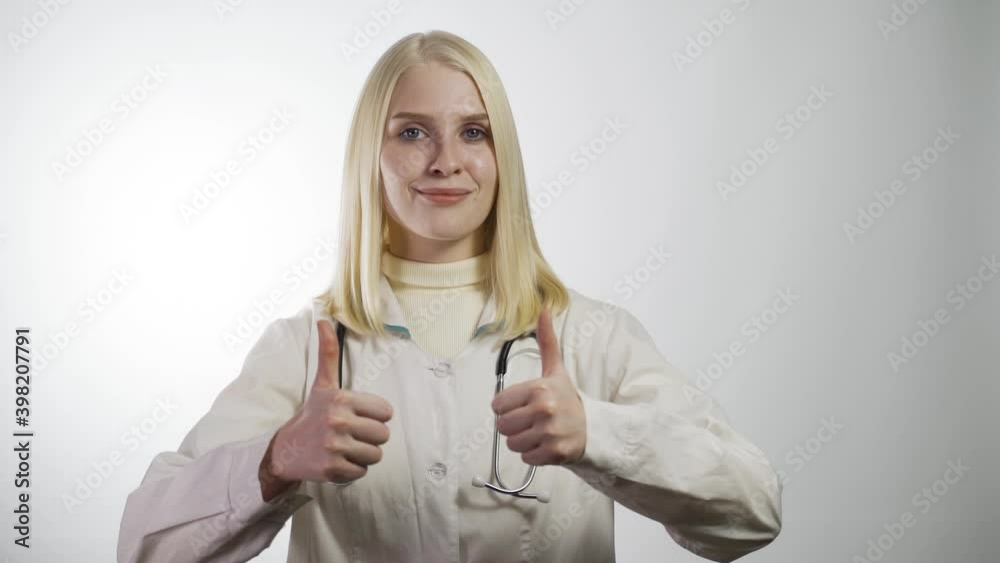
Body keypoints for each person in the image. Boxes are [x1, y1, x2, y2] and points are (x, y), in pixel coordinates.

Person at [117, 30, 782, 563]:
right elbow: (144, 547)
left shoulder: (593, 337)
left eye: (473, 131)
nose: (445, 161)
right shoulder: (305, 345)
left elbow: (753, 512)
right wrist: (275, 461)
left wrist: (599, 433)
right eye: (411, 132)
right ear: (368, 158)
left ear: (503, 156)